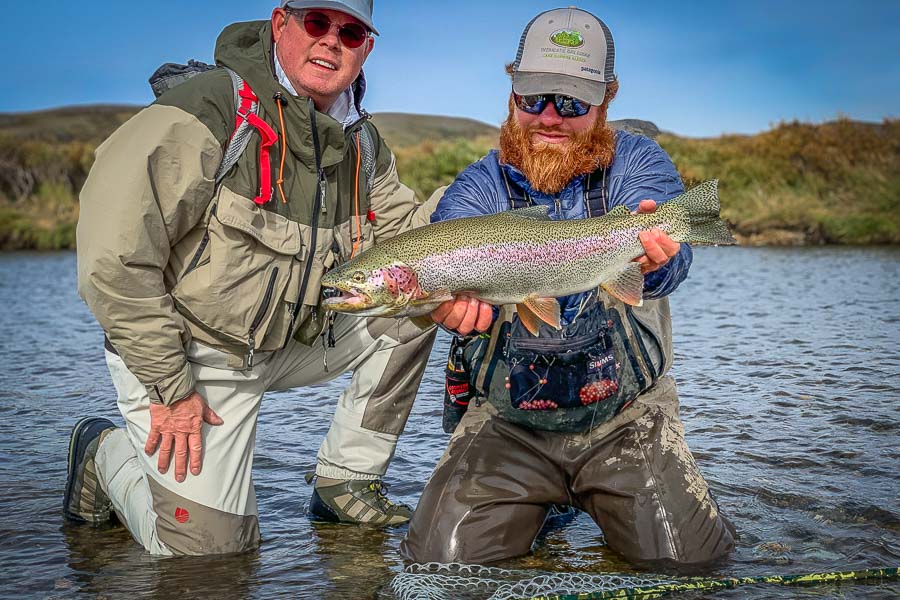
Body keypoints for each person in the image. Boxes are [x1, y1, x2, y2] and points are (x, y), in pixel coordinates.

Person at [66, 0, 439, 556]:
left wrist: (510, 185)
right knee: (208, 559)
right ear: (280, 23)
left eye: (351, 30)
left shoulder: (360, 141)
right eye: (317, 22)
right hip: (191, 356)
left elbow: (415, 238)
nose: (332, 40)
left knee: (416, 303)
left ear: (368, 47)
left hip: (292, 338)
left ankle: (346, 481)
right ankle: (105, 453)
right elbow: (112, 261)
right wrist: (170, 388)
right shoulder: (207, 112)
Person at [403, 7, 736, 567]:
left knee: (688, 564)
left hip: (627, 417)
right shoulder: (477, 189)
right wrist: (437, 308)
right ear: (511, 94)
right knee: (439, 565)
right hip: (508, 423)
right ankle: (540, 507)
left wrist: (656, 262)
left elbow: (676, 268)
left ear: (606, 99)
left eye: (572, 103)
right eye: (533, 100)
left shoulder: (637, 163)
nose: (550, 118)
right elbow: (437, 264)